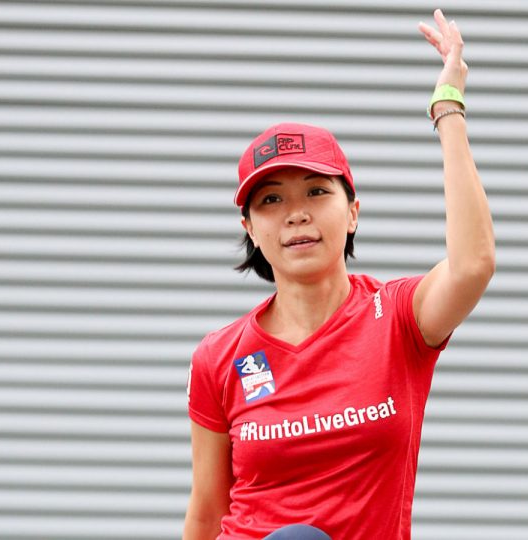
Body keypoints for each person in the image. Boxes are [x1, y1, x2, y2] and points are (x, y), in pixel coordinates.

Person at [183, 9, 494, 539]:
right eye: (271, 200)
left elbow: (472, 265)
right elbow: (207, 511)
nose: (296, 214)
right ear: (250, 229)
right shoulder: (219, 357)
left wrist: (448, 107)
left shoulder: (397, 318)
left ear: (352, 212)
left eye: (316, 191)